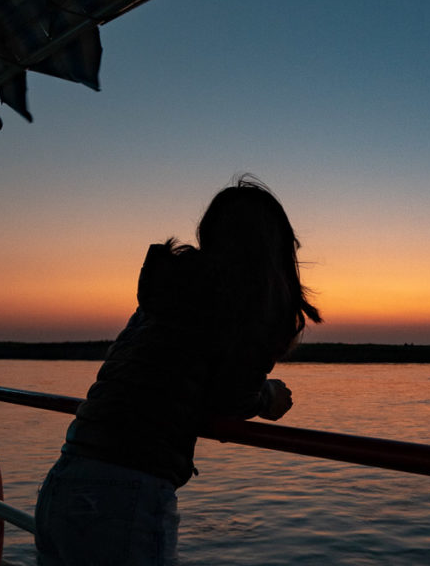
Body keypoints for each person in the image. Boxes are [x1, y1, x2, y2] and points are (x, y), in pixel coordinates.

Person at [35, 177, 321, 565]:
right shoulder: (245, 299)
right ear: (275, 248)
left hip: (66, 478)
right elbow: (230, 400)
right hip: (124, 491)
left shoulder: (171, 288)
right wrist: (268, 396)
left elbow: (155, 369)